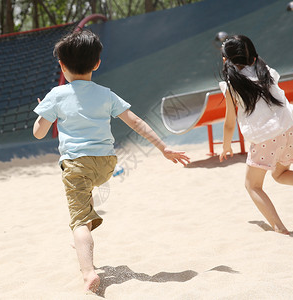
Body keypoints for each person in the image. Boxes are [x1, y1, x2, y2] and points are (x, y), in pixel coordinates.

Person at [32, 29, 190, 293]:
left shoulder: (56, 95)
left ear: (61, 64)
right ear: (96, 63)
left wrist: (42, 113)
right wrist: (163, 148)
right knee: (87, 192)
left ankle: (88, 272)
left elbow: (38, 134)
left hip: (76, 164)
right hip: (106, 164)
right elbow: (135, 122)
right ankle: (83, 232)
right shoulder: (106, 94)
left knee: (79, 221)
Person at [218, 35, 293, 235]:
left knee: (252, 185)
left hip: (266, 137)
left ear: (226, 60)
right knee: (280, 173)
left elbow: (229, 123)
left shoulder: (233, 85)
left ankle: (279, 227)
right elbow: (285, 104)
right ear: (253, 55)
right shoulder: (267, 73)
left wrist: (226, 146)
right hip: (289, 129)